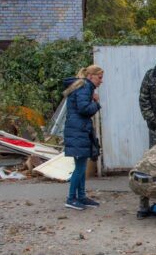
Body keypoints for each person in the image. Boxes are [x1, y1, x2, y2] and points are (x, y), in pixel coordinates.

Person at [62, 65, 104, 210]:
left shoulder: (82, 87)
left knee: (81, 166)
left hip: (77, 130)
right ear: (91, 76)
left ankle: (81, 196)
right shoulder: (85, 87)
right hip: (78, 131)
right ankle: (71, 198)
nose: (101, 81)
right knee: (80, 168)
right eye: (99, 77)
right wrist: (96, 103)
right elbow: (84, 109)